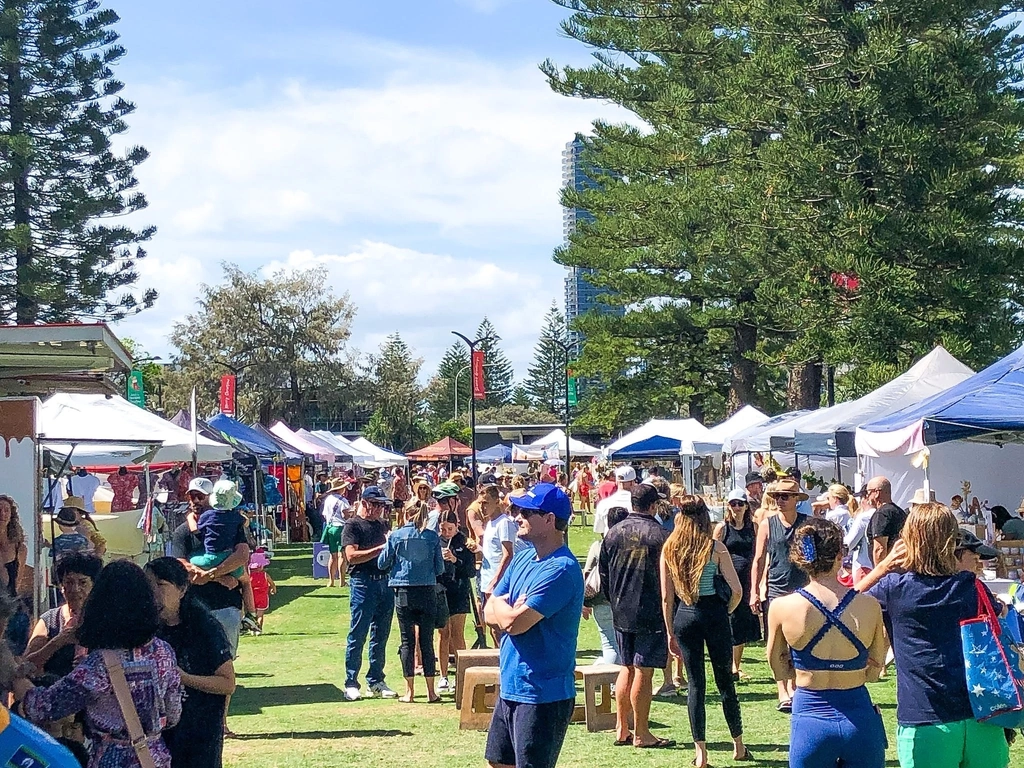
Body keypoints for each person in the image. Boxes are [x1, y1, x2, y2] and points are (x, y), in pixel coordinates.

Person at [857, 503, 1010, 768]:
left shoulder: (894, 589)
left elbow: (842, 607)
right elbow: (1001, 610)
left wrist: (882, 567)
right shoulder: (969, 585)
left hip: (925, 718)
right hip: (982, 712)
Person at [14, 561, 182, 768]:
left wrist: (15, 675)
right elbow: (173, 715)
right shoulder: (163, 651)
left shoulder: (101, 664)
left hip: (112, 760)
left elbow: (43, 706)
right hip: (155, 758)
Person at [767, 518, 888, 768]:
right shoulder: (869, 606)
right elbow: (875, 672)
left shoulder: (781, 607)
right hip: (860, 718)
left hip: (810, 719)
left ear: (801, 558)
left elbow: (777, 666)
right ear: (840, 555)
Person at [483, 483, 583, 768]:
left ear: (550, 519)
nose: (517, 516)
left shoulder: (561, 568)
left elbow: (515, 624)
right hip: (512, 686)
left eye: (527, 511)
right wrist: (506, 609)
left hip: (543, 693)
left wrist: (506, 611)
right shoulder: (524, 556)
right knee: (498, 762)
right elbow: (489, 609)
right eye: (517, 510)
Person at [662, 495, 746, 766]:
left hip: (685, 615)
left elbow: (667, 598)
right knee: (725, 682)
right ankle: (739, 744)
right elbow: (736, 590)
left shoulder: (670, 547)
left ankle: (701, 752)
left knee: (695, 684)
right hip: (713, 614)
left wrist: (669, 632)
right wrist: (728, 610)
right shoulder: (715, 546)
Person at [600, 483, 673, 749]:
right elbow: (669, 579)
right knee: (644, 671)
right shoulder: (661, 535)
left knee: (626, 667)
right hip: (649, 610)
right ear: (653, 506)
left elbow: (604, 574)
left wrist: (615, 600)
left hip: (621, 610)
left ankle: (622, 727)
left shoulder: (613, 532)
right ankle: (641, 732)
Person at [146, 557, 235, 768]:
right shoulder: (146, 630)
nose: (153, 592)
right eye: (148, 585)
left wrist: (183, 677)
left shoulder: (204, 628)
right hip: (158, 736)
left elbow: (227, 683)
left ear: (183, 589)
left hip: (199, 733)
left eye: (161, 585)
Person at [170, 477, 251, 661]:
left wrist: (212, 573)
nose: (195, 501)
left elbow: (242, 555)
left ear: (211, 498)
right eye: (192, 496)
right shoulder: (182, 531)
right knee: (198, 658)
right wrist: (219, 577)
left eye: (200, 496)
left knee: (227, 659)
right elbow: (181, 565)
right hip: (195, 605)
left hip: (227, 605)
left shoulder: (232, 525)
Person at [749, 476, 809, 712]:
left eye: (785, 497)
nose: (780, 501)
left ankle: (796, 686)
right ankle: (782, 689)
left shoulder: (806, 525)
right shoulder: (767, 524)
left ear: (796, 499)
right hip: (776, 589)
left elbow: (811, 557)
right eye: (777, 497)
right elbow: (758, 559)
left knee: (800, 639)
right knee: (776, 642)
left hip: (802, 589)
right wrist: (754, 591)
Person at [377, 499, 444, 703]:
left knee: (407, 641)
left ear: (405, 514)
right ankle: (432, 692)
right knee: (427, 641)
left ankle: (410, 692)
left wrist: (388, 543)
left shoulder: (397, 536)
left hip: (404, 591)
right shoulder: (432, 537)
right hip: (427, 591)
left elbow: (382, 563)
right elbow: (440, 568)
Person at [343, 485, 397, 701]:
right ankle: (350, 681)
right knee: (358, 634)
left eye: (382, 505)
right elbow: (351, 556)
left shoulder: (383, 524)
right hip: (363, 583)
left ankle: (376, 679)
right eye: (375, 505)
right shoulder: (353, 525)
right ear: (364, 503)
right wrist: (381, 549)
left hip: (385, 582)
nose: (379, 509)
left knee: (381, 635)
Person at [24, 552, 103, 679]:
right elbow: (27, 665)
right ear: (61, 586)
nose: (75, 589)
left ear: (94, 586)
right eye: (69, 582)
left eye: (82, 583)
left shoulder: (104, 620)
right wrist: (58, 641)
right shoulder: (50, 620)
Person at [714, 489, 761, 679]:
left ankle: (736, 665)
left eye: (740, 504)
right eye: (733, 504)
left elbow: (759, 553)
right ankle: (726, 664)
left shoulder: (754, 527)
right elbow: (713, 552)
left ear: (746, 506)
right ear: (728, 506)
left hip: (748, 581)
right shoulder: (722, 528)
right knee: (727, 621)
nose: (737, 507)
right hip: (727, 581)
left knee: (741, 622)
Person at [582, 506, 629, 666]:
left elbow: (587, 572)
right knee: (623, 646)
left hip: (601, 599)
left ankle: (610, 680)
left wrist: (584, 601)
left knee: (609, 643)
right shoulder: (632, 547)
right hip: (625, 600)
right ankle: (614, 680)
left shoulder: (599, 545)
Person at [437, 509, 475, 691]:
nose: (446, 533)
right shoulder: (435, 541)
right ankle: (443, 676)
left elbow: (470, 571)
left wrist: (455, 560)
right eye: (443, 529)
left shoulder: (464, 542)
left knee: (457, 634)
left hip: (459, 591)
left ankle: (463, 675)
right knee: (443, 634)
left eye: (449, 529)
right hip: (441, 591)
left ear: (456, 526)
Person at [480, 485, 524, 602]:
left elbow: (508, 554)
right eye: (481, 503)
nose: (482, 507)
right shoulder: (490, 523)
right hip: (486, 580)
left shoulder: (504, 523)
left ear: (496, 501)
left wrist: (495, 581)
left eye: (486, 503)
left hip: (499, 583)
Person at [865, 476, 905, 565]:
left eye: (868, 492)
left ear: (877, 493)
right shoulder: (899, 511)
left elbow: (880, 549)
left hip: (888, 570)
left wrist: (879, 575)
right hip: (901, 567)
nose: (867, 496)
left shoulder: (881, 514)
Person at [320, 477, 352, 588]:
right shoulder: (343, 501)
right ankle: (342, 581)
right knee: (342, 555)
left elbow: (324, 514)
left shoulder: (328, 499)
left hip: (330, 527)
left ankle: (331, 581)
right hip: (340, 528)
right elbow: (345, 515)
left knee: (332, 556)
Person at [593, 465, 636, 536]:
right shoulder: (638, 504)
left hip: (611, 543)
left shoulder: (604, 503)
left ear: (616, 482)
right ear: (632, 482)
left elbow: (599, 529)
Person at [844, 496, 877, 584]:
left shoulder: (864, 517)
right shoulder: (887, 513)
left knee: (862, 596)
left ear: (866, 498)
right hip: (882, 567)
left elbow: (849, 543)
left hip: (864, 566)